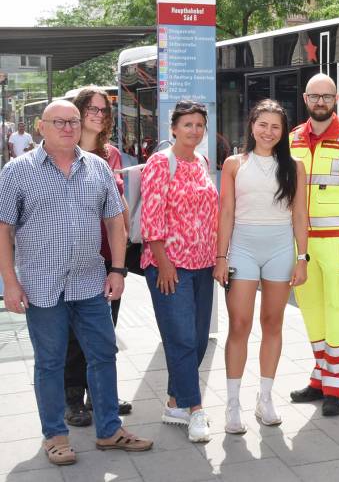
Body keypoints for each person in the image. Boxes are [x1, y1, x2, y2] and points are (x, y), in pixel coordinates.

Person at [0, 101, 153, 467]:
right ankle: (55, 436)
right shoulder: (17, 172)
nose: (68, 128)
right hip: (41, 286)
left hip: (90, 282)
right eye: (59, 122)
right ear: (41, 127)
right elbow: (4, 230)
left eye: (73, 121)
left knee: (103, 355)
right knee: (50, 362)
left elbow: (116, 219)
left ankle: (109, 430)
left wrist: (117, 269)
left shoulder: (97, 167)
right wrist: (10, 282)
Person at [214, 99, 308, 433]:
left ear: (283, 132)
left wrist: (302, 258)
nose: (268, 132)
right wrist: (221, 256)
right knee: (239, 325)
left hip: (281, 249)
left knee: (273, 323)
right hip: (242, 248)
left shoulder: (294, 166)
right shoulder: (234, 164)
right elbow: (225, 212)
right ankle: (232, 403)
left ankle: (265, 398)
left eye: (275, 126)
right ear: (252, 124)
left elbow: (299, 214)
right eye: (262, 124)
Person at [288, 73, 339, 417]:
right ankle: (320, 378)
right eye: (314, 96)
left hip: (338, 244)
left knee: (338, 312)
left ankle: (336, 389)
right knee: (312, 313)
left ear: (336, 100)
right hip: (301, 245)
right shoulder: (291, 138)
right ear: (306, 99)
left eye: (327, 97)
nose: (321, 102)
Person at [140, 100, 218, 443]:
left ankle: (174, 401)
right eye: (188, 125)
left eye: (200, 125)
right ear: (173, 128)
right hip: (169, 266)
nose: (195, 131)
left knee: (199, 339)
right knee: (181, 339)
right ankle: (195, 409)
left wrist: (218, 256)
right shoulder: (160, 162)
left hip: (203, 264)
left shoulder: (202, 161)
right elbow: (151, 217)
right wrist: (164, 261)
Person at [63, 86, 134, 427]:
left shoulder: (112, 155)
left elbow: (117, 203)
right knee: (75, 334)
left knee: (106, 329)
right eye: (91, 108)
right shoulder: (61, 150)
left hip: (109, 254)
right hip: (72, 255)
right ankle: (73, 398)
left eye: (103, 110)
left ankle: (100, 394)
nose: (98, 114)